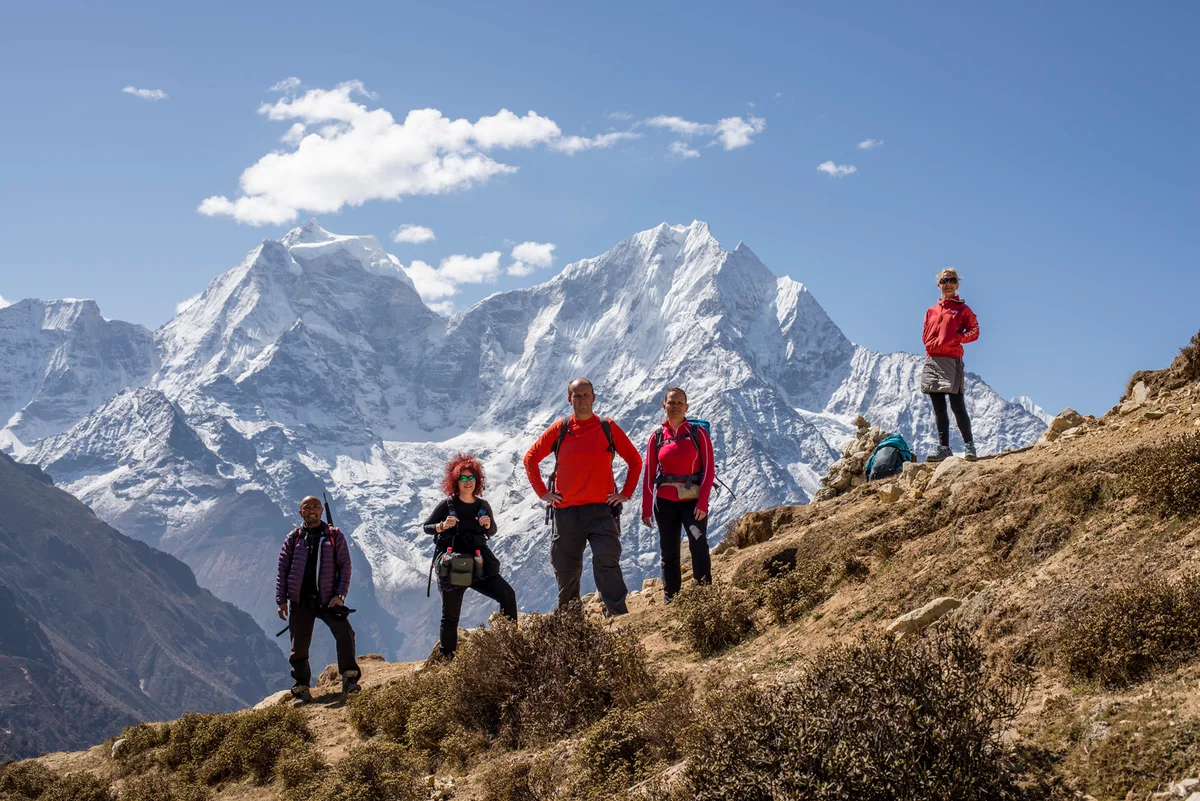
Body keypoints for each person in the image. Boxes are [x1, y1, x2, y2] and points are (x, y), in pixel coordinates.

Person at [523, 378, 643, 616]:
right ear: (570, 400)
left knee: (607, 560)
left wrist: (625, 493)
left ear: (594, 398)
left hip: (602, 510)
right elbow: (530, 459)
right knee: (566, 570)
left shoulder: (607, 427)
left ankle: (618, 616)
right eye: (577, 396)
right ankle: (570, 625)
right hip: (566, 512)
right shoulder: (561, 429)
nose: (582, 400)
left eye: (586, 395)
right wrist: (543, 493)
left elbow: (635, 461)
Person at [422, 453, 517, 659]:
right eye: (463, 478)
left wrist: (487, 525)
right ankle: (447, 659)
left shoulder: (483, 506)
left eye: (471, 477)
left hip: (479, 565)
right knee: (450, 616)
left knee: (508, 595)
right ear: (455, 481)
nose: (467, 482)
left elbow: (492, 531)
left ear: (478, 480)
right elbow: (427, 528)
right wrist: (441, 526)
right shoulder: (447, 506)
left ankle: (510, 649)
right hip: (453, 567)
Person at [275, 495, 360, 702]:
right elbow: (283, 570)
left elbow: (345, 567)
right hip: (300, 601)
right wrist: (281, 600)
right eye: (307, 508)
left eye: (315, 507)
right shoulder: (293, 538)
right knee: (299, 646)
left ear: (322, 511)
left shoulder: (334, 536)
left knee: (345, 633)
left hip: (328, 599)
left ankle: (349, 678)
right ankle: (301, 687)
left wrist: (340, 596)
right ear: (300, 512)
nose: (311, 510)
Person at [640, 387, 715, 604]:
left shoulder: (697, 433)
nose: (675, 407)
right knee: (669, 550)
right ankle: (671, 598)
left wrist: (703, 502)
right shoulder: (656, 437)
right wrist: (646, 509)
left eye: (680, 403)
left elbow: (709, 470)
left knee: (698, 543)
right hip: (665, 504)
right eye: (671, 403)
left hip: (692, 502)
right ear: (664, 406)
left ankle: (705, 594)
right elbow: (649, 475)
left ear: (687, 407)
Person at [921, 267, 980, 462]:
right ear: (938, 285)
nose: (948, 284)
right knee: (938, 408)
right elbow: (925, 333)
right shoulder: (931, 311)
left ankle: (969, 445)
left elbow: (974, 330)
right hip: (932, 360)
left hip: (952, 360)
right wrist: (930, 343)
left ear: (957, 284)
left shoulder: (963, 309)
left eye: (952, 280)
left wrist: (956, 339)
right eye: (944, 281)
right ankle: (944, 447)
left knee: (957, 405)